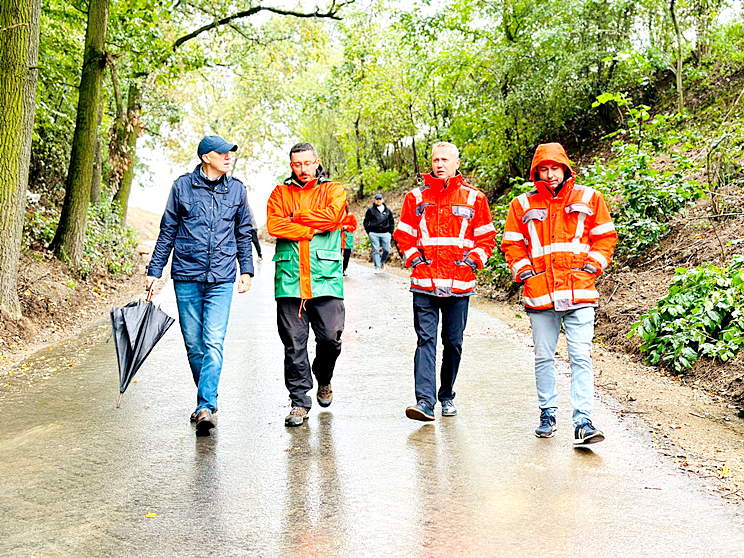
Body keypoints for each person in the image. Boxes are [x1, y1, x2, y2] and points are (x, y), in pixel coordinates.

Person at [500, 142, 618, 446]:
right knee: (543, 357)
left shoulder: (590, 198)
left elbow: (605, 238)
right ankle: (547, 414)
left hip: (579, 290)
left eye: (555, 168)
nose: (550, 174)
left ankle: (583, 422)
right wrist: (526, 273)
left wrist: (591, 268)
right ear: (536, 171)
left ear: (565, 168)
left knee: (580, 356)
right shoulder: (522, 205)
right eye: (544, 169)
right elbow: (512, 243)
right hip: (541, 294)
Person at [147, 135, 254, 435]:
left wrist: (246, 269)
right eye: (223, 153)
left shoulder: (237, 190)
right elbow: (167, 230)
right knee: (194, 344)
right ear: (206, 157)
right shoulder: (182, 186)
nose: (228, 157)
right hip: (186, 276)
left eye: (230, 152)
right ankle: (207, 397)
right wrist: (155, 270)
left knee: (213, 342)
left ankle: (205, 405)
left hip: (221, 277)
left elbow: (243, 232)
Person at [393, 142, 496, 421]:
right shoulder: (415, 198)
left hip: (458, 284)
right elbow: (403, 235)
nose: (439, 164)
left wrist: (471, 263)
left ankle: (446, 394)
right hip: (424, 283)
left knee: (453, 342)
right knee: (425, 340)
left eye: (445, 160)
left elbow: (487, 238)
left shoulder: (474, 198)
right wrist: (415, 261)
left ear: (456, 163)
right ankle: (425, 401)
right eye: (435, 160)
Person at [266, 142, 347, 427]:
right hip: (289, 281)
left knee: (330, 338)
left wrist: (296, 218)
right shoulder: (280, 192)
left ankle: (323, 377)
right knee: (293, 344)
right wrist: (312, 226)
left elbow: (333, 217)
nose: (302, 169)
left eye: (307, 163)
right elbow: (274, 226)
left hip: (325, 278)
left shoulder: (333, 190)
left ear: (317, 162)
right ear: (291, 165)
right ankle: (299, 402)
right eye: (296, 164)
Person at [363, 193, 395, 273]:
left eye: (380, 199)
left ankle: (381, 262)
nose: (378, 201)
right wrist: (369, 232)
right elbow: (366, 221)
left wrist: (390, 232)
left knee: (387, 249)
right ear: (374, 201)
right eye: (377, 199)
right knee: (376, 250)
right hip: (374, 233)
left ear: (382, 200)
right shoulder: (371, 210)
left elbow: (392, 222)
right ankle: (377, 267)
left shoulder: (387, 211)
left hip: (385, 233)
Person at [340, 205, 357, 276]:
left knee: (347, 255)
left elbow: (354, 227)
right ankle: (337, 268)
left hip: (348, 238)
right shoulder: (337, 216)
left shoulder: (351, 216)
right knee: (337, 253)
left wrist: (347, 227)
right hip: (339, 237)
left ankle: (344, 269)